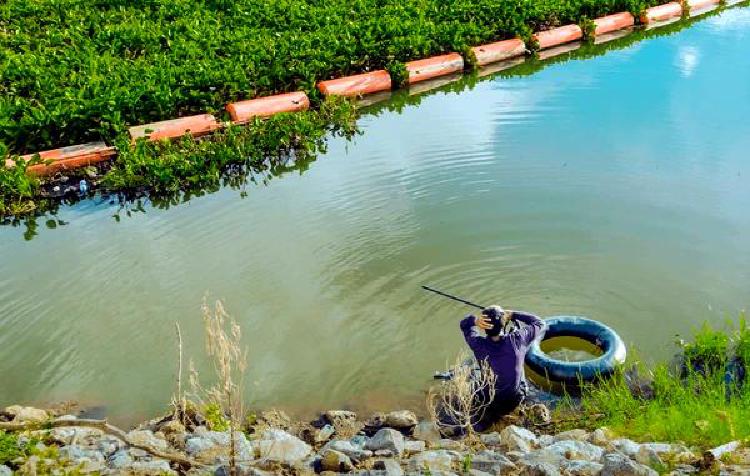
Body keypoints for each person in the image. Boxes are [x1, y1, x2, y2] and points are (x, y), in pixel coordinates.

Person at [460, 305, 544, 430]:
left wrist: (474, 321)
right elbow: (539, 322)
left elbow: (464, 325)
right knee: (519, 369)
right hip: (515, 398)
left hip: (492, 400)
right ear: (503, 323)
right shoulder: (518, 339)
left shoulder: (477, 344)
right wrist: (514, 314)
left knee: (477, 378)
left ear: (484, 327)